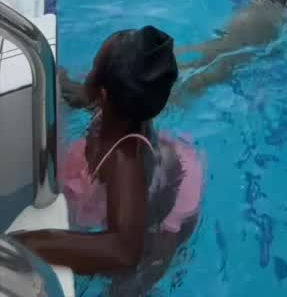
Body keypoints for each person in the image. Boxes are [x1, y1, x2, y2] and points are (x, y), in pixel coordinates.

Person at [12, 27, 202, 285]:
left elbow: (124, 251)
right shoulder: (121, 110)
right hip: (155, 167)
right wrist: (58, 80)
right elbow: (82, 95)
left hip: (161, 210)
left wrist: (24, 244)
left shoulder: (126, 158)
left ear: (103, 95)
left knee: (133, 279)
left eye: (92, 68)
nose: (88, 74)